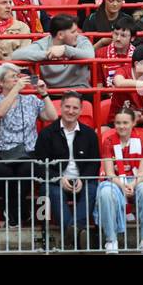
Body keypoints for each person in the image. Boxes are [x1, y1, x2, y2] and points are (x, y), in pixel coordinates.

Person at [0, 63, 54, 226]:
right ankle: (18, 213)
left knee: (26, 171)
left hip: (25, 152)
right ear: (0, 82)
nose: (17, 80)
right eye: (12, 77)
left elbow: (51, 116)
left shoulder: (30, 100)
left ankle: (13, 215)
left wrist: (44, 94)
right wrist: (15, 91)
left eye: (18, 76)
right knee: (5, 174)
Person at [33, 92, 100, 244]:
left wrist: (83, 179)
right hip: (56, 181)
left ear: (81, 110)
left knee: (93, 189)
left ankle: (72, 232)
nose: (71, 111)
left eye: (75, 108)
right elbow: (39, 165)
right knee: (51, 191)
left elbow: (94, 163)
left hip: (81, 181)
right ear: (61, 108)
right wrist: (59, 178)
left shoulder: (89, 134)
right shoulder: (47, 134)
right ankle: (77, 235)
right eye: (67, 107)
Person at [96, 106, 143, 254]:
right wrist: (123, 184)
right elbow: (110, 173)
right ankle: (111, 241)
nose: (121, 126)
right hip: (115, 180)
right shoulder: (108, 141)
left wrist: (132, 184)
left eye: (125, 123)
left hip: (136, 181)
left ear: (133, 123)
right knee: (105, 193)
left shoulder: (142, 142)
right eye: (118, 123)